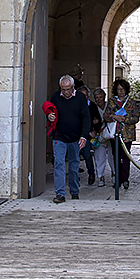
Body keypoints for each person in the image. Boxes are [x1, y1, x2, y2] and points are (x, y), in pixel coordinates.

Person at [46, 74, 91, 203]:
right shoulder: (55, 96)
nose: (65, 92)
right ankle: (60, 194)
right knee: (59, 164)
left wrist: (84, 136)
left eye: (68, 89)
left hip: (75, 138)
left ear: (73, 87)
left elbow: (86, 118)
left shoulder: (80, 98)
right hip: (59, 136)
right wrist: (50, 116)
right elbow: (50, 111)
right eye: (63, 89)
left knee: (73, 165)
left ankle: (74, 191)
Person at [104, 77, 140, 190]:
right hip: (115, 133)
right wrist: (114, 117)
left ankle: (125, 179)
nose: (120, 91)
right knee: (116, 157)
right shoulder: (112, 101)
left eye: (122, 89)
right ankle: (118, 179)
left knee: (125, 156)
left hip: (127, 134)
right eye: (118, 89)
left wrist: (125, 119)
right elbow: (106, 116)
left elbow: (136, 118)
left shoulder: (131, 102)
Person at [91, 87, 112, 185]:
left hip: (110, 135)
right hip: (99, 136)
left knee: (113, 156)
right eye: (96, 97)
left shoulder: (109, 106)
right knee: (99, 157)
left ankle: (114, 174)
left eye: (100, 97)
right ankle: (101, 177)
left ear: (104, 97)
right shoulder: (93, 108)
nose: (98, 99)